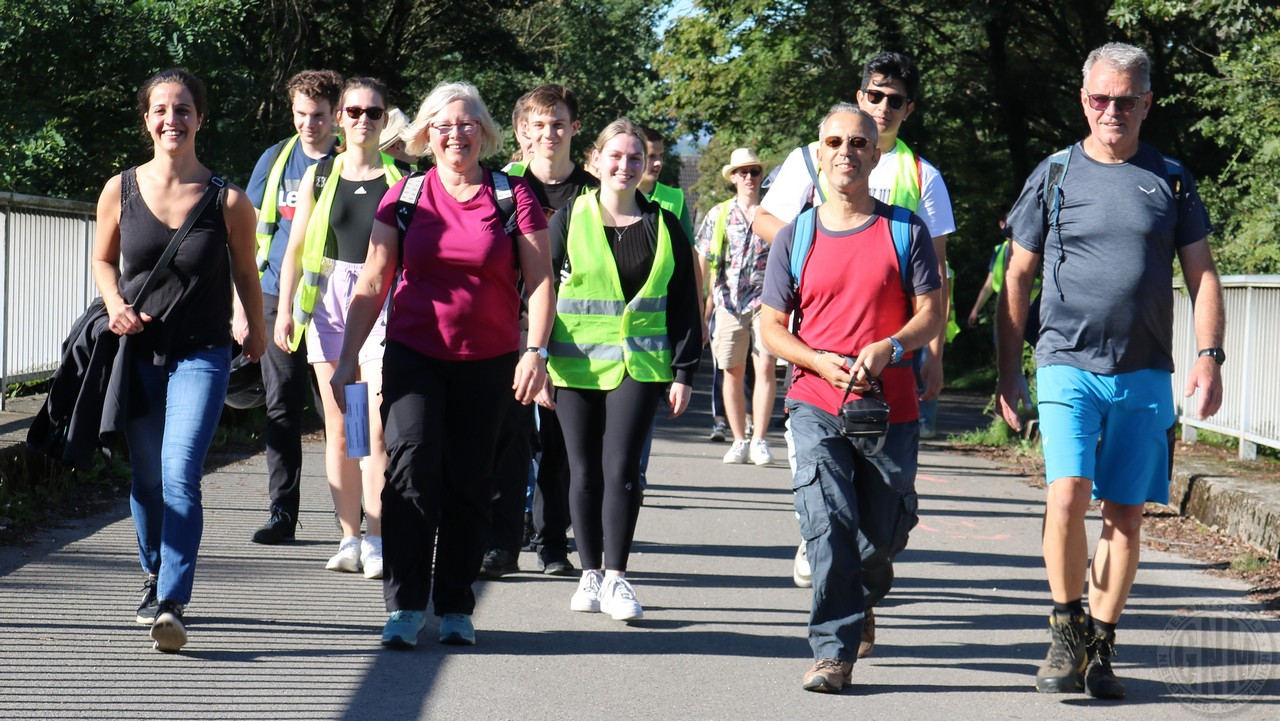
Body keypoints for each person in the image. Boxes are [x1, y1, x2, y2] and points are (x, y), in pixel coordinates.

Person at [997, 42, 1224, 700]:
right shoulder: (1056, 173)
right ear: (1083, 100)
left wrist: (1208, 357)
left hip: (1147, 370)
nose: (1112, 111)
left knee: (1125, 514)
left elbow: (1202, 274)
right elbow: (1017, 274)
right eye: (1100, 99)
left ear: (1147, 103)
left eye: (1126, 100)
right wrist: (1010, 369)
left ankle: (1101, 644)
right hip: (1067, 361)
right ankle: (1065, 626)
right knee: (1067, 493)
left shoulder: (1171, 178)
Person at [330, 81, 554, 649]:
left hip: (488, 361)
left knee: (468, 480)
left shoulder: (512, 196)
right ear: (427, 134)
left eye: (467, 123)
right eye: (444, 124)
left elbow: (541, 280)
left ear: (485, 132)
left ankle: (454, 604)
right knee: (409, 470)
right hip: (414, 355)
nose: (456, 133)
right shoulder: (404, 196)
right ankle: (406, 604)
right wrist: (349, 355)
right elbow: (375, 280)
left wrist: (536, 350)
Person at [754, 51, 954, 603]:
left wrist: (929, 351)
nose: (881, 106)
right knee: (827, 509)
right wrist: (816, 249)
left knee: (881, 527)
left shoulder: (921, 177)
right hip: (817, 369)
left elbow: (935, 279)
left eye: (893, 100)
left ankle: (864, 557)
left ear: (907, 110)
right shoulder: (810, 160)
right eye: (873, 94)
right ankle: (825, 563)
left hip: (890, 373)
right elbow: (768, 222)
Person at [93, 68, 265, 652]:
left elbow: (246, 271)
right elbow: (103, 261)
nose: (173, 119)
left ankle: (172, 599)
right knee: (145, 478)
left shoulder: (228, 199)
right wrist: (114, 303)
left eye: (184, 109)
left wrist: (257, 331)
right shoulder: (120, 189)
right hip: (136, 352)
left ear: (200, 118)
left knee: (179, 472)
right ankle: (152, 572)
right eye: (162, 109)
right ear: (147, 119)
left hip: (203, 353)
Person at [546, 118, 701, 622]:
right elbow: (540, 292)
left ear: (646, 166)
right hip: (575, 367)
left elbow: (683, 305)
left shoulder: (665, 225)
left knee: (622, 469)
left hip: (642, 365)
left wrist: (683, 372)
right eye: (615, 156)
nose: (625, 166)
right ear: (594, 161)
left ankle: (617, 577)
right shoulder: (569, 219)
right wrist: (537, 359)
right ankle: (589, 572)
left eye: (636, 158)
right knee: (583, 469)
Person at [274, 77, 404, 579]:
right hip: (327, 304)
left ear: (384, 117)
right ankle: (348, 536)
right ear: (341, 116)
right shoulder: (321, 174)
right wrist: (285, 309)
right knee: (340, 428)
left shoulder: (401, 177)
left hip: (380, 301)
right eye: (353, 112)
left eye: (373, 112)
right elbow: (296, 247)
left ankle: (376, 536)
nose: (362, 121)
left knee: (371, 425)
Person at [485, 84, 599, 580]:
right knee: (504, 442)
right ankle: (501, 544)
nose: (548, 134)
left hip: (576, 339)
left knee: (561, 448)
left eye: (558, 124)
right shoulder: (503, 188)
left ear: (575, 129)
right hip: (509, 334)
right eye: (537, 125)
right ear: (520, 132)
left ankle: (553, 544)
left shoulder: (597, 191)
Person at [242, 69, 343, 544]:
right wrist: (240, 306)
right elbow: (244, 231)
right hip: (275, 297)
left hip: (337, 303)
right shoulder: (276, 159)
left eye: (318, 116)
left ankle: (365, 512)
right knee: (282, 405)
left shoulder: (355, 162)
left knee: (346, 407)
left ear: (337, 115)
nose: (308, 125)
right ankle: (282, 511)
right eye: (301, 114)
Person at [695, 147, 776, 466]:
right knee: (731, 370)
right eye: (742, 172)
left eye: (754, 171)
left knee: (766, 367)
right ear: (732, 177)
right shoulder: (719, 214)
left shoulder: (773, 212)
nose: (749, 177)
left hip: (767, 302)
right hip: (728, 302)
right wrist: (699, 312)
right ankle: (739, 438)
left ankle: (759, 440)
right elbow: (701, 261)